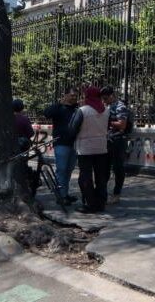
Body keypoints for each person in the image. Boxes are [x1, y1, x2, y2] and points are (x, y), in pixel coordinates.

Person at [69, 86, 111, 214]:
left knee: (85, 178)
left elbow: (72, 129)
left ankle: (90, 204)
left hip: (85, 149)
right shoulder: (106, 111)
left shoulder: (82, 111)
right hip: (102, 148)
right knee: (101, 177)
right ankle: (101, 203)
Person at [43, 87, 80, 205]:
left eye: (75, 96)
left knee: (69, 170)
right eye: (72, 95)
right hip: (61, 143)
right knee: (61, 169)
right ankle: (60, 196)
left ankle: (64, 194)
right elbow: (46, 113)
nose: (74, 97)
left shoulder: (77, 109)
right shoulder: (58, 108)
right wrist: (59, 103)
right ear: (65, 95)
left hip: (74, 143)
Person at [100, 86, 132, 205]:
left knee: (118, 168)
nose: (104, 101)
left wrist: (107, 122)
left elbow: (122, 125)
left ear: (112, 95)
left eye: (105, 98)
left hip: (118, 140)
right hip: (108, 140)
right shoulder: (107, 106)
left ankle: (116, 194)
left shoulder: (120, 106)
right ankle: (102, 194)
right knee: (105, 168)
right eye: (102, 98)